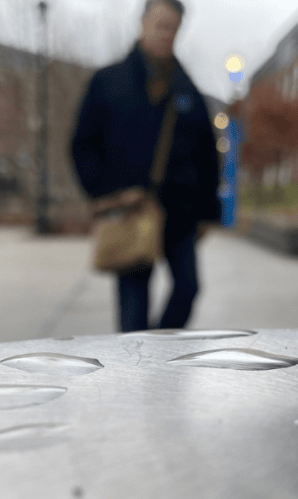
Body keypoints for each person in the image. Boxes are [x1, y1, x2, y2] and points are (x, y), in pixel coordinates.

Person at [71, 0, 221, 332]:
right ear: (142, 24)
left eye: (173, 27)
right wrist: (104, 194)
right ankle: (137, 365)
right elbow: (82, 145)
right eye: (160, 25)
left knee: (188, 289)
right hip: (129, 211)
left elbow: (208, 155)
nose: (166, 34)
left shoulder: (188, 89)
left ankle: (156, 350)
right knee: (132, 312)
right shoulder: (107, 81)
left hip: (179, 214)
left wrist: (208, 212)